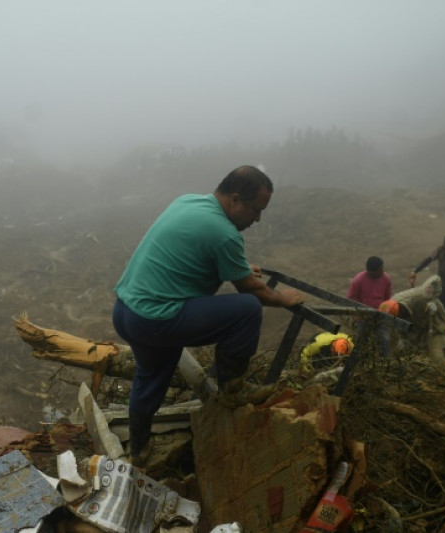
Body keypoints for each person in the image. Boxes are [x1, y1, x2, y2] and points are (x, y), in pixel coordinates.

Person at [111, 165, 304, 466]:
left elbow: (200, 251)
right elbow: (253, 291)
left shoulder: (188, 202)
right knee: (247, 310)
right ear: (235, 200)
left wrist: (238, 265)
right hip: (157, 317)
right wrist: (284, 298)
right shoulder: (224, 233)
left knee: (151, 376)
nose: (257, 219)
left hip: (127, 312)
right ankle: (232, 388)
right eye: (256, 210)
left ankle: (138, 450)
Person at [379, 275, 445, 362]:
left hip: (436, 326)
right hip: (417, 327)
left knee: (437, 358)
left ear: (399, 313)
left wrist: (432, 298)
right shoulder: (391, 305)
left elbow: (435, 279)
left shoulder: (421, 300)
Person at [347, 256, 392, 355]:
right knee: (362, 342)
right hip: (363, 318)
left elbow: (388, 298)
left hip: (380, 317)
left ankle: (386, 362)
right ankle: (361, 362)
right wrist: (362, 312)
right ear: (371, 271)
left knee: (384, 340)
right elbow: (351, 298)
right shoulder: (358, 280)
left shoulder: (386, 279)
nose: (382, 271)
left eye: (382, 268)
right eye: (380, 269)